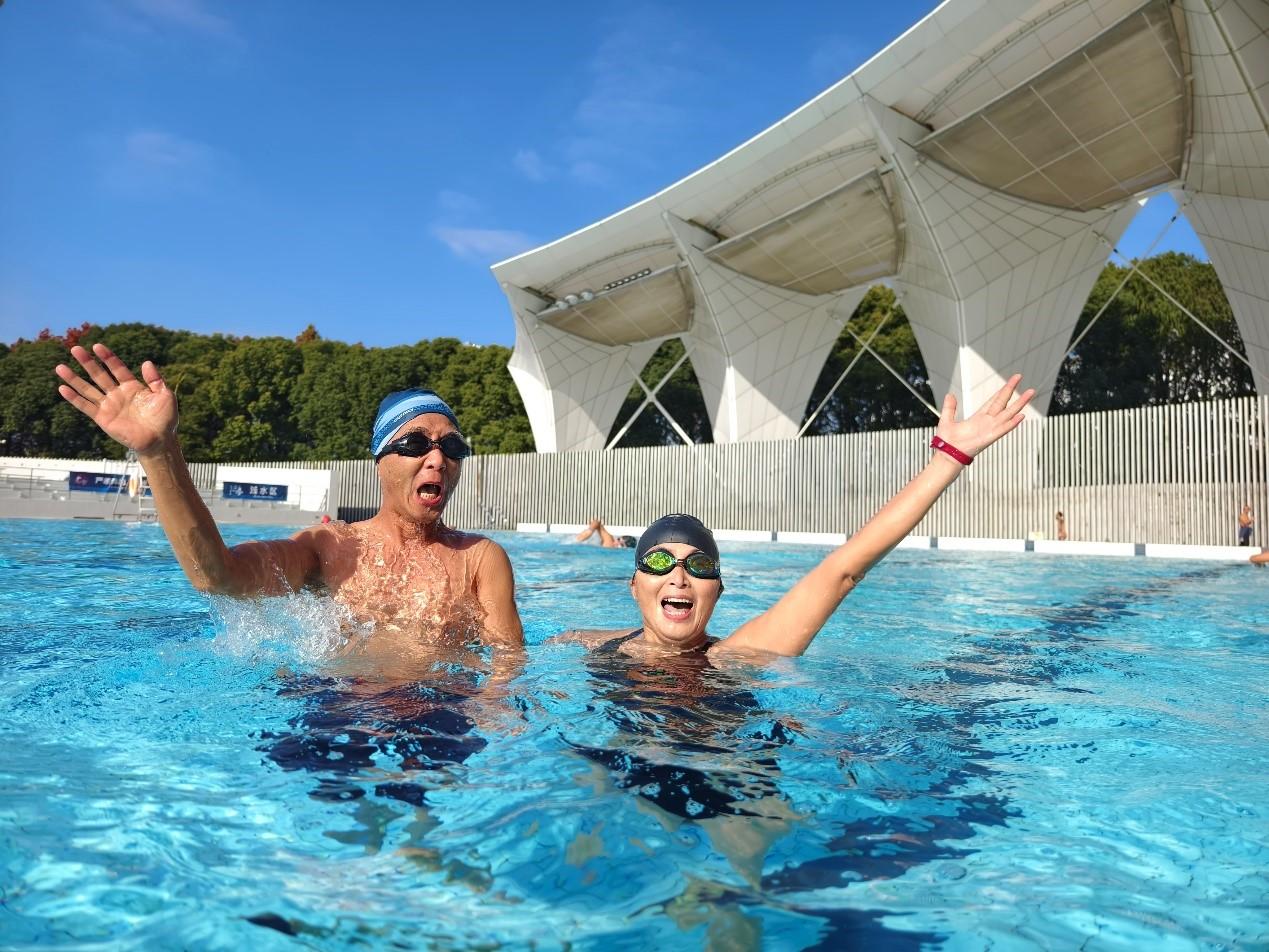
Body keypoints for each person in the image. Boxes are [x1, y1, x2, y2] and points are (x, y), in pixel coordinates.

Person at [55, 343, 523, 649]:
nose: (438, 458)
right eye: (416, 444)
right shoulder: (329, 546)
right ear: (380, 460)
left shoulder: (480, 558)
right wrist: (160, 453)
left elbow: (506, 665)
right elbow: (219, 577)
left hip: (441, 715)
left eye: (453, 447)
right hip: (338, 713)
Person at [561, 374, 1035, 660]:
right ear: (634, 584)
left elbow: (843, 570)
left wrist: (949, 458)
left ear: (718, 590)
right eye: (660, 561)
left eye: (700, 566)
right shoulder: (585, 643)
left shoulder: (736, 657)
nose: (679, 577)